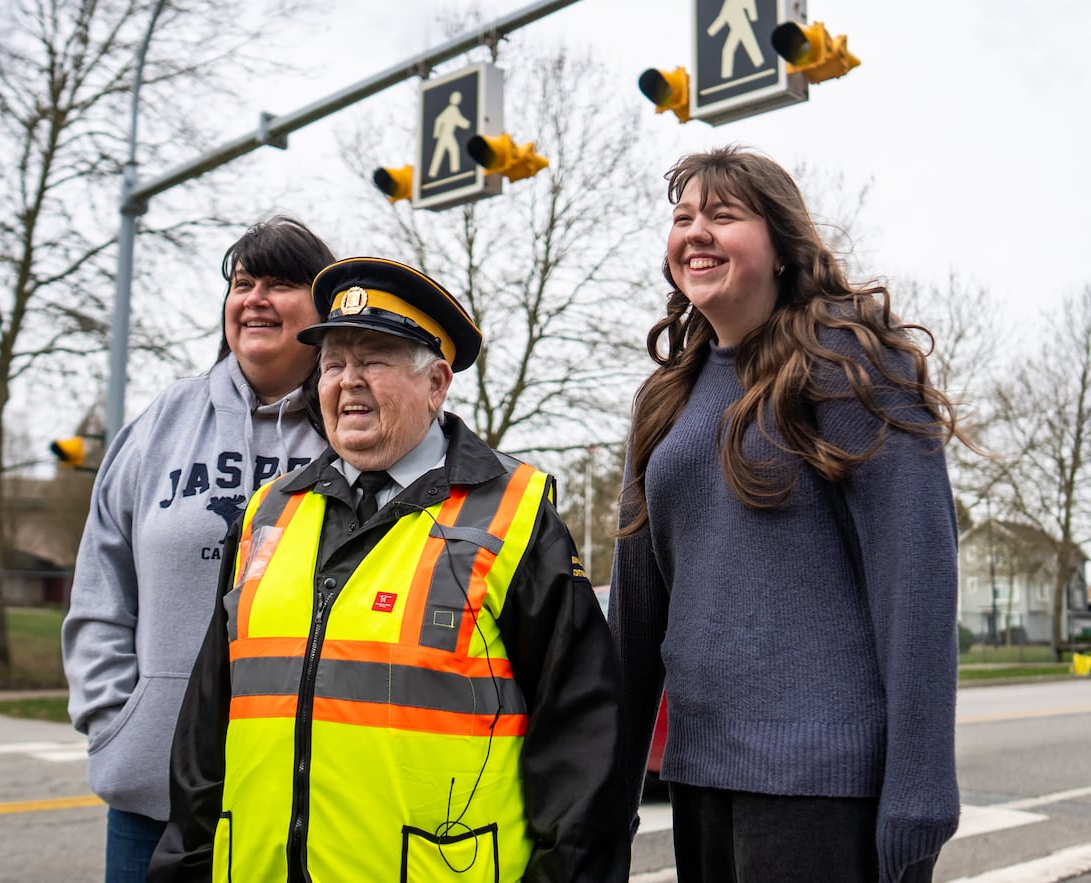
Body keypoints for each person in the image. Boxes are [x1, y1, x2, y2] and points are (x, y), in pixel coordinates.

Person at [149, 256, 630, 882]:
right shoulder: (267, 515)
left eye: (373, 361)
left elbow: (581, 742)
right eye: (332, 364)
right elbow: (204, 731)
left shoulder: (515, 517)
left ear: (436, 384)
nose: (347, 382)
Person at [608, 146, 965, 883]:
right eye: (683, 218)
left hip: (825, 789)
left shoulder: (851, 364)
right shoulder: (664, 400)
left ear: (780, 245)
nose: (695, 232)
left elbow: (917, 582)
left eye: (723, 215)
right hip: (701, 778)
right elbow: (635, 621)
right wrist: (606, 795)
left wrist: (922, 789)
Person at [62, 215, 337, 882]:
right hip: (153, 795)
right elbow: (103, 582)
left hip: (303, 795)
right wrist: (116, 718)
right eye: (243, 284)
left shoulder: (353, 429)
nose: (255, 299)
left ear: (323, 308)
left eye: (280, 283)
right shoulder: (161, 424)